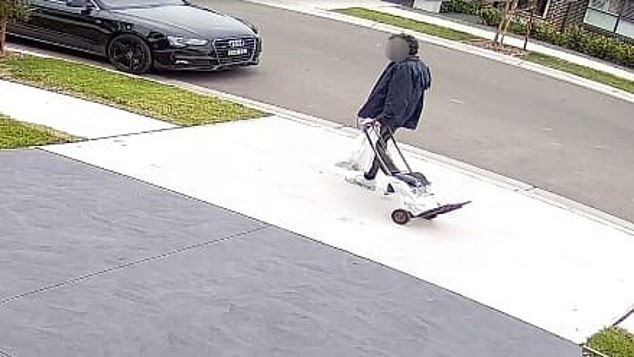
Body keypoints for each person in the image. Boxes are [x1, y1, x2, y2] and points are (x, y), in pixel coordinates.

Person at [346, 32, 432, 192]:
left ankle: (397, 180)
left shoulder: (403, 68)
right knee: (381, 144)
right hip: (401, 114)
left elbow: (397, 96)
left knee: (379, 147)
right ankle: (372, 177)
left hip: (392, 114)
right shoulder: (420, 67)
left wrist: (383, 117)